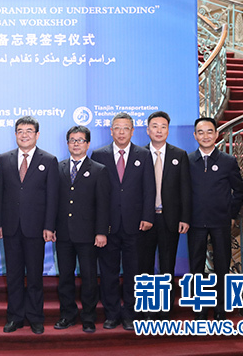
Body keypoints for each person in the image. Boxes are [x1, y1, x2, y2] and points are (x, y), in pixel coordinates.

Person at [90, 112, 155, 330]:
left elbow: (149, 188)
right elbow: (95, 194)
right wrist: (98, 226)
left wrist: (147, 216)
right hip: (107, 225)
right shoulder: (99, 155)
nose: (121, 132)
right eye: (117, 128)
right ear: (111, 131)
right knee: (108, 272)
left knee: (132, 272)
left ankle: (130, 313)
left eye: (126, 128)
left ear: (132, 131)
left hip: (135, 224)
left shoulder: (143, 155)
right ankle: (112, 314)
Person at [0, 116, 59, 334]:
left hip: (36, 228)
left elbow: (52, 197)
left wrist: (49, 226)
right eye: (20, 131)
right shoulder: (4, 159)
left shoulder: (49, 160)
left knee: (34, 276)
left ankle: (35, 317)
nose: (24, 135)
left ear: (37, 134)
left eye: (29, 131)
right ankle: (15, 317)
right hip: (11, 227)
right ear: (15, 134)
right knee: (13, 276)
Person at [54, 126, 110, 333]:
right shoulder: (58, 168)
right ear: (67, 143)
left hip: (88, 234)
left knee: (88, 277)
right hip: (63, 234)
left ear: (88, 144)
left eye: (80, 140)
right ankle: (67, 315)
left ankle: (88, 317)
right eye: (72, 140)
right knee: (65, 277)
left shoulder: (99, 169)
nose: (76, 144)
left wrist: (101, 232)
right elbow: (53, 201)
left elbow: (103, 204)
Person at [188, 117, 243, 320]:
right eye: (201, 132)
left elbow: (239, 190)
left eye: (209, 131)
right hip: (195, 222)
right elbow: (182, 193)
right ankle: (200, 308)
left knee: (222, 266)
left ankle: (221, 308)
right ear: (195, 136)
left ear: (217, 134)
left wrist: (231, 214)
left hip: (220, 222)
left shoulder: (228, 161)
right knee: (196, 267)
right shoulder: (188, 161)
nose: (205, 136)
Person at [139, 111, 192, 319]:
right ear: (147, 130)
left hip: (170, 219)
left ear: (168, 130)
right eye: (155, 126)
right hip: (145, 219)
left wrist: (185, 217)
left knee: (167, 265)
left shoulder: (179, 155)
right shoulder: (139, 154)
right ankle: (146, 308)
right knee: (144, 266)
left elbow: (185, 190)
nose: (159, 130)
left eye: (163, 126)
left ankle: (165, 309)